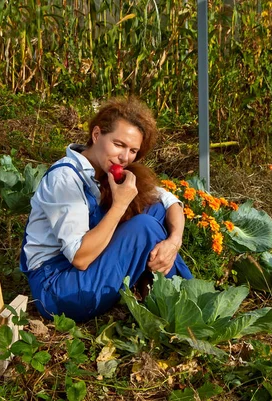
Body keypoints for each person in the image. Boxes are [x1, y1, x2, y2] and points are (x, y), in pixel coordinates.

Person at [20, 97, 193, 322]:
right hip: (57, 288)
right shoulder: (65, 178)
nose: (124, 157)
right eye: (118, 144)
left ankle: (174, 297)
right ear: (96, 135)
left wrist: (174, 242)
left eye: (133, 150)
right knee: (144, 226)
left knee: (154, 210)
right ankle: (183, 304)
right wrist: (120, 205)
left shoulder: (107, 171)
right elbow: (80, 258)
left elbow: (169, 202)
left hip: (88, 268)